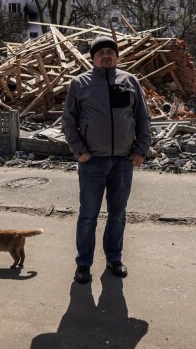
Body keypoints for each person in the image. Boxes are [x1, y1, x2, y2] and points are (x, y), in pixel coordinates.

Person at [62, 35, 152, 284]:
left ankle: (114, 258)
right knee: (88, 215)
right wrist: (79, 150)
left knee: (118, 214)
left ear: (116, 56)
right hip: (92, 162)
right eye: (100, 52)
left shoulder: (129, 81)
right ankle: (83, 264)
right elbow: (69, 121)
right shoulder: (80, 84)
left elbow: (143, 118)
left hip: (123, 162)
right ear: (93, 58)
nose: (105, 55)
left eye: (110, 52)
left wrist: (141, 149)